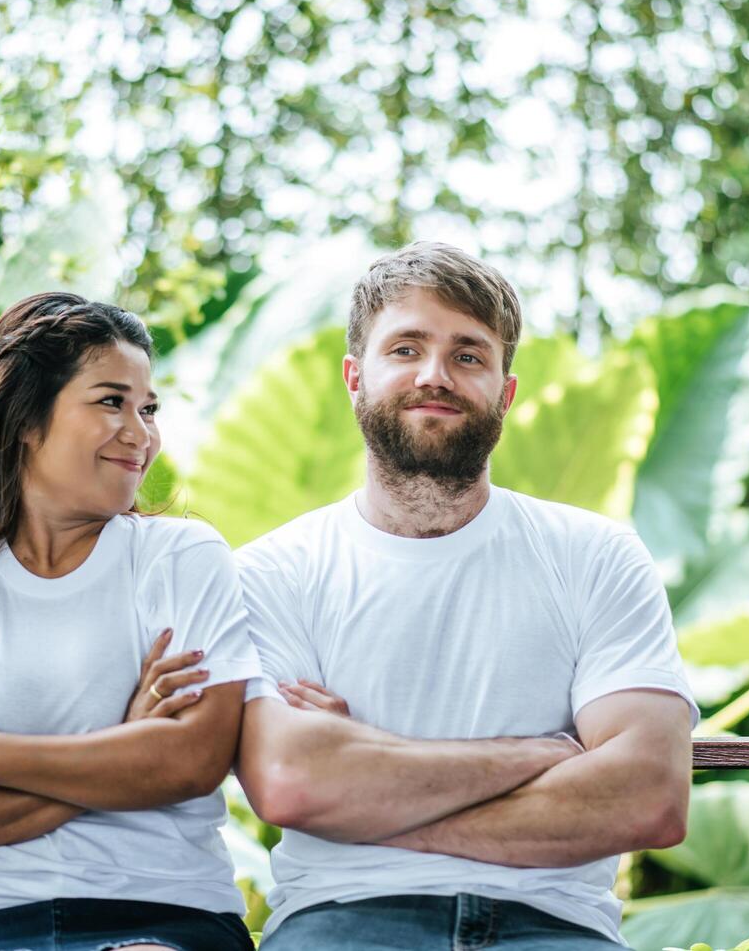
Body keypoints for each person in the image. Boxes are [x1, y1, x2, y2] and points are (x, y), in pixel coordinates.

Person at [234, 242, 699, 950]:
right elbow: (292, 785)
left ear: (505, 393)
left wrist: (366, 777)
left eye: (468, 355)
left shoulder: (595, 556)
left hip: (552, 928)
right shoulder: (272, 572)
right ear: (354, 379)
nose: (434, 375)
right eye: (406, 348)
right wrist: (539, 756)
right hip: (345, 921)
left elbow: (649, 797)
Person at [0, 292, 261, 951]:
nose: (140, 433)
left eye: (148, 409)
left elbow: (190, 763)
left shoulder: (181, 557)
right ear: (25, 419)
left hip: (162, 913)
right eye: (110, 401)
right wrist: (124, 746)